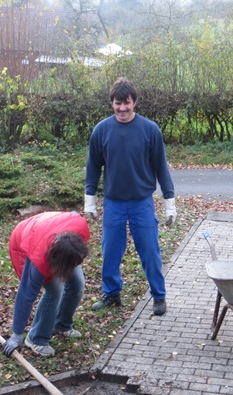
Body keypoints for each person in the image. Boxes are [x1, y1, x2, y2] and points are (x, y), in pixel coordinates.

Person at [84, 77, 176, 316]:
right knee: (111, 250)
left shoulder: (149, 130)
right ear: (111, 103)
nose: (122, 108)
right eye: (117, 103)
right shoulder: (101, 130)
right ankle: (112, 293)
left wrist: (170, 202)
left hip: (141, 203)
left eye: (126, 103)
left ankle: (159, 296)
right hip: (113, 203)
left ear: (134, 102)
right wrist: (90, 199)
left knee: (150, 250)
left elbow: (161, 167)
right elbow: (93, 167)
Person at [2, 211, 90, 358]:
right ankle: (36, 339)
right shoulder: (39, 260)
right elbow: (26, 294)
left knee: (78, 282)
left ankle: (61, 324)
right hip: (24, 241)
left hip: (50, 231)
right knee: (55, 290)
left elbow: (73, 215)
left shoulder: (80, 228)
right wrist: (17, 334)